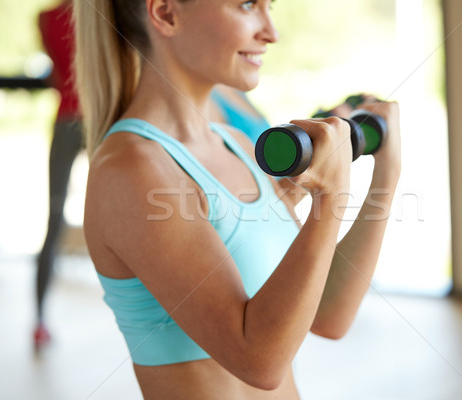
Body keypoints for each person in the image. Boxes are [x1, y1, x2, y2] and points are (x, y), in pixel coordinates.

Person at [73, 0, 401, 398]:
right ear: (166, 14)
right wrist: (329, 198)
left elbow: (329, 313)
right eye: (247, 4)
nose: (271, 31)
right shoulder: (130, 169)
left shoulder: (239, 145)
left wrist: (387, 172)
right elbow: (259, 361)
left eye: (269, 6)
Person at [34, 0, 82, 348]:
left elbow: (56, 76)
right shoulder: (104, 17)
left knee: (54, 219)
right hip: (101, 120)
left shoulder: (45, 19)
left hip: (65, 120)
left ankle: (39, 320)